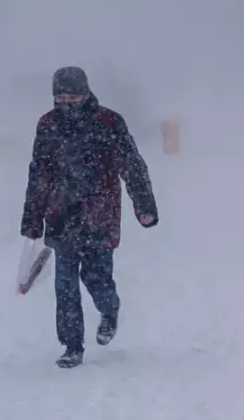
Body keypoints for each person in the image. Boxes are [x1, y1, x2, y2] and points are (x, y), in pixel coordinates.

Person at [21, 66, 158, 368]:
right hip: (60, 214)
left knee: (96, 279)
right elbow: (39, 173)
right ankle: (72, 346)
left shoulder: (108, 122)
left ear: (85, 93)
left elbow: (132, 165)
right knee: (65, 284)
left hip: (100, 214)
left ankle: (110, 310)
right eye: (60, 98)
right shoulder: (48, 125)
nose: (66, 104)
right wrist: (32, 218)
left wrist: (144, 206)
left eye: (72, 97)